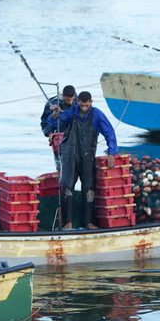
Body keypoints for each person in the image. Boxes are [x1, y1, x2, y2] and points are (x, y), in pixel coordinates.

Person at [48, 91, 118, 230]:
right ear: (77, 102)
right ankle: (67, 222)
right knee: (67, 186)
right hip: (70, 156)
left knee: (89, 188)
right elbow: (55, 122)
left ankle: (89, 222)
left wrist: (112, 153)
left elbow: (109, 133)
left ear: (91, 102)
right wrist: (55, 114)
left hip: (87, 157)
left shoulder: (97, 114)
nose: (84, 108)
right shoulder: (72, 111)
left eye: (86, 105)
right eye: (81, 105)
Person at [40, 85, 77, 170]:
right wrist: (50, 133)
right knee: (61, 167)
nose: (70, 102)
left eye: (72, 99)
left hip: (75, 137)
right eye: (68, 100)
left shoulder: (79, 101)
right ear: (63, 96)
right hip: (58, 139)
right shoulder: (52, 104)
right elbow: (45, 125)